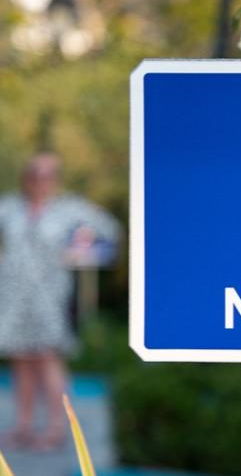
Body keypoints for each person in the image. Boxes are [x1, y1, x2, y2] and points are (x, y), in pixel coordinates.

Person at [0, 152, 119, 450]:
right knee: (22, 359)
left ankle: (56, 428)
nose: (41, 181)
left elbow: (109, 232)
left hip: (51, 297)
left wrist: (80, 253)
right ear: (26, 177)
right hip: (15, 297)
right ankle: (23, 426)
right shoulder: (10, 208)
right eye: (36, 174)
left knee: (49, 358)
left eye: (48, 175)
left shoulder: (69, 209)